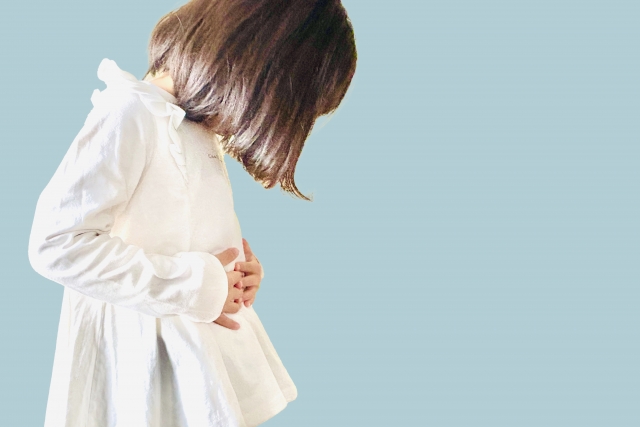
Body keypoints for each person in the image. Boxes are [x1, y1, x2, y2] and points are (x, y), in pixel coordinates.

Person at [26, 0, 357, 426]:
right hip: (138, 374)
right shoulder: (131, 113)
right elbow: (56, 243)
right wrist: (197, 285)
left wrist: (236, 276)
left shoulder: (191, 126)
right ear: (249, 69)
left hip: (189, 366)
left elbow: (178, 229)